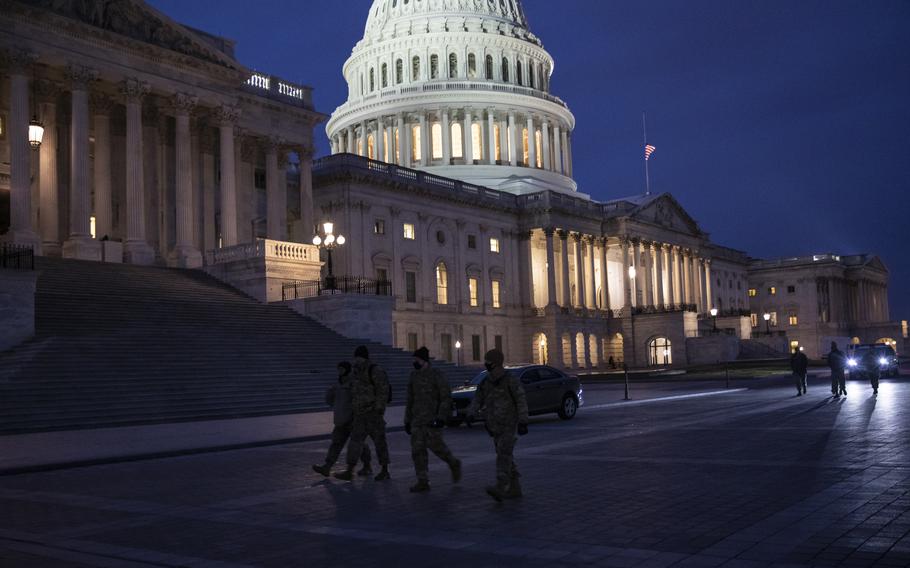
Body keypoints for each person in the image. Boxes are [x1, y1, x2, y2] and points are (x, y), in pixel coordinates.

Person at [466, 348, 529, 502]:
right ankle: (515, 488)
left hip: (509, 424)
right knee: (505, 455)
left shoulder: (510, 380)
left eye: (487, 362)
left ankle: (501, 488)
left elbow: (521, 400)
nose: (485, 364)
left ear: (495, 363)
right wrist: (471, 413)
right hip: (494, 425)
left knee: (503, 454)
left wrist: (523, 421)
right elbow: (478, 399)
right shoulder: (486, 381)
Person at [404, 347, 462, 493]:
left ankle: (453, 463)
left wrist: (441, 417)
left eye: (417, 360)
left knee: (437, 448)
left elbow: (445, 397)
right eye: (414, 360)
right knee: (417, 451)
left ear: (424, 360)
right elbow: (410, 399)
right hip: (417, 420)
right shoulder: (413, 376)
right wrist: (407, 419)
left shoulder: (437, 375)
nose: (414, 362)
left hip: (432, 420)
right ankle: (422, 481)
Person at [334, 346, 391, 481]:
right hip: (359, 415)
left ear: (364, 357)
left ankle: (385, 470)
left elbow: (383, 392)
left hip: (373, 414)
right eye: (356, 358)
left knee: (380, 443)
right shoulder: (355, 372)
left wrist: (378, 410)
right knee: (355, 442)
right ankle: (349, 470)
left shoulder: (375, 370)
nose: (357, 360)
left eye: (359, 357)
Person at [313, 362, 372, 477]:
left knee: (357, 444)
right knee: (336, 443)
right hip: (340, 419)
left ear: (347, 370)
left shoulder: (353, 383)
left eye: (342, 369)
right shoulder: (337, 384)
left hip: (353, 419)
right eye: (338, 368)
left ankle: (361, 467)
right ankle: (327, 467)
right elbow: (330, 401)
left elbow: (360, 400)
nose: (340, 371)